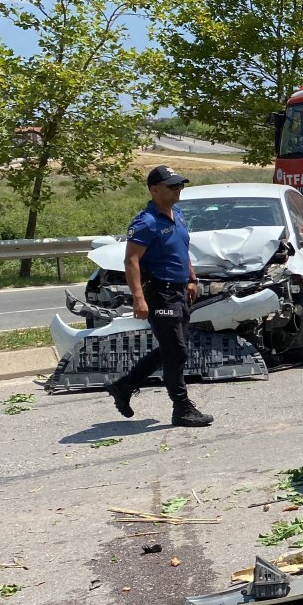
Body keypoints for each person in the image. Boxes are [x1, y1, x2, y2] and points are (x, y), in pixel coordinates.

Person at [105, 165, 214, 428]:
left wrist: (191, 277)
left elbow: (181, 249)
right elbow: (131, 261)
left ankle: (125, 385)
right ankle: (181, 408)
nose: (179, 190)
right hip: (160, 292)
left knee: (173, 348)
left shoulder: (177, 213)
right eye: (172, 186)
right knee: (176, 351)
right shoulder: (146, 222)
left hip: (179, 289)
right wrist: (138, 298)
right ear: (155, 189)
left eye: (180, 185)